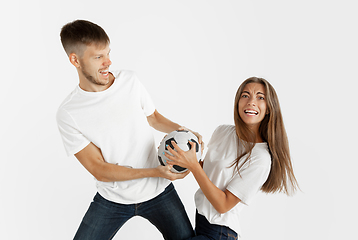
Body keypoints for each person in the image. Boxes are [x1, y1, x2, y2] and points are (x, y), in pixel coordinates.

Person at [56, 19, 202, 240]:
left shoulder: (130, 81)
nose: (108, 62)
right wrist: (154, 172)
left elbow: (153, 117)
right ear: (75, 60)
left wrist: (184, 130)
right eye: (98, 57)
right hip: (112, 199)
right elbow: (99, 170)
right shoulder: (69, 113)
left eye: (108, 53)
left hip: (159, 192)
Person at [166, 77, 299, 239]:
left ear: (269, 108)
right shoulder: (222, 132)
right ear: (237, 102)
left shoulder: (261, 158)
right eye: (245, 95)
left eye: (260, 97)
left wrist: (193, 166)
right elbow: (207, 174)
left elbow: (223, 205)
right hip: (200, 221)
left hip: (221, 233)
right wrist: (182, 154)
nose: (251, 101)